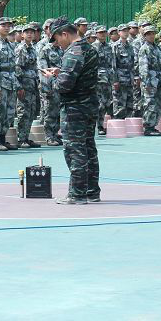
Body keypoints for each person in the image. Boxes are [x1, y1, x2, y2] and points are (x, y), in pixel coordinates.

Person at [47, 17, 100, 205]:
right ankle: (92, 191)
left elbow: (64, 86)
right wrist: (60, 72)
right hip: (89, 104)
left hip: (75, 108)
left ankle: (77, 194)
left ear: (65, 34)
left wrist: (52, 79)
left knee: (74, 150)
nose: (56, 43)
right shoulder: (90, 49)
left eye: (56, 38)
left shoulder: (73, 52)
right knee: (88, 149)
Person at [0, 17, 18, 151]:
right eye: (3, 25)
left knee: (10, 113)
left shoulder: (11, 44)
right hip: (1, 83)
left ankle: (3, 138)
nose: (6, 28)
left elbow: (14, 66)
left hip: (11, 82)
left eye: (8, 26)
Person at [14, 23, 40, 147]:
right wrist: (19, 86)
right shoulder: (20, 49)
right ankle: (21, 138)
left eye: (32, 32)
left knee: (31, 111)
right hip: (24, 85)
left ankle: (26, 136)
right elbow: (17, 68)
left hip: (32, 84)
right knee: (23, 112)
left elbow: (35, 67)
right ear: (22, 35)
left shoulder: (33, 48)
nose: (30, 34)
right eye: (27, 32)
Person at [137, 26, 161, 136]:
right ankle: (148, 127)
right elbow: (143, 68)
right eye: (148, 34)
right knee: (149, 104)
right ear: (144, 36)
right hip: (150, 81)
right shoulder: (144, 48)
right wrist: (146, 82)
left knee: (158, 104)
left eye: (153, 33)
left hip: (158, 80)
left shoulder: (157, 48)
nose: (151, 36)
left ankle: (153, 125)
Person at [37, 27, 63, 146]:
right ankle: (48, 136)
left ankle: (55, 134)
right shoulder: (45, 50)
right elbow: (43, 70)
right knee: (50, 111)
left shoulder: (62, 50)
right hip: (50, 86)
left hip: (61, 85)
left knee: (58, 112)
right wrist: (46, 88)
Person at [92, 26, 114, 135]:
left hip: (108, 78)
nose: (102, 34)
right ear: (96, 34)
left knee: (107, 102)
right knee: (99, 103)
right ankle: (98, 125)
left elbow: (112, 63)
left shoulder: (109, 47)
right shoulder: (93, 47)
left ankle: (102, 124)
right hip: (98, 79)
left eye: (104, 32)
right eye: (100, 33)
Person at [111, 24, 135, 120]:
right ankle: (118, 123)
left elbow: (133, 63)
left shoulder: (130, 46)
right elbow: (113, 65)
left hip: (129, 79)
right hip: (120, 79)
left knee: (130, 104)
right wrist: (115, 80)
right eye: (123, 31)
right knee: (119, 103)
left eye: (127, 31)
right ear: (119, 33)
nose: (126, 33)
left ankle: (128, 125)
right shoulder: (115, 46)